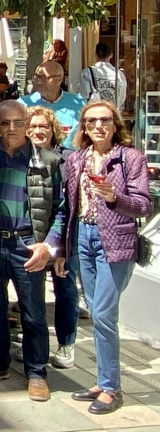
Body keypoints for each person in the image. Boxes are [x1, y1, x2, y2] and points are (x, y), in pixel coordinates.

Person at [46, 102, 150, 414]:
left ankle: (111, 387)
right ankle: (104, 381)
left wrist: (114, 198)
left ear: (115, 123)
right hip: (83, 238)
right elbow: (69, 208)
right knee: (94, 310)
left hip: (115, 240)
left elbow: (143, 205)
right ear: (84, 126)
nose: (98, 126)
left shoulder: (130, 158)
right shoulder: (77, 158)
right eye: (91, 121)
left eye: (104, 120)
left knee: (104, 314)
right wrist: (62, 249)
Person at [0, 100, 64, 402]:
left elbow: (62, 209)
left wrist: (49, 246)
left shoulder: (47, 160)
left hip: (26, 245)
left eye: (17, 123)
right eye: (4, 123)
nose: (11, 129)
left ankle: (37, 372)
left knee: (33, 314)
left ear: (26, 122)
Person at [25, 105, 80, 370]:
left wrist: (62, 248)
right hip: (31, 235)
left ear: (53, 129)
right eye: (32, 126)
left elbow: (69, 206)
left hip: (62, 234)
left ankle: (66, 342)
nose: (37, 131)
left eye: (43, 126)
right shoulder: (21, 156)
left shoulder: (67, 159)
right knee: (31, 291)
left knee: (65, 288)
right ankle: (34, 343)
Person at [21, 61, 86, 148]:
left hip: (70, 158)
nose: (38, 81)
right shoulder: (23, 104)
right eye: (36, 77)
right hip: (32, 157)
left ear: (59, 79)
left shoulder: (79, 102)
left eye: (43, 77)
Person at [78, 42, 128, 109]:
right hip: (112, 111)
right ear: (111, 55)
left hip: (94, 110)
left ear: (95, 55)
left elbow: (83, 96)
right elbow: (121, 97)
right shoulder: (119, 74)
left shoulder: (87, 72)